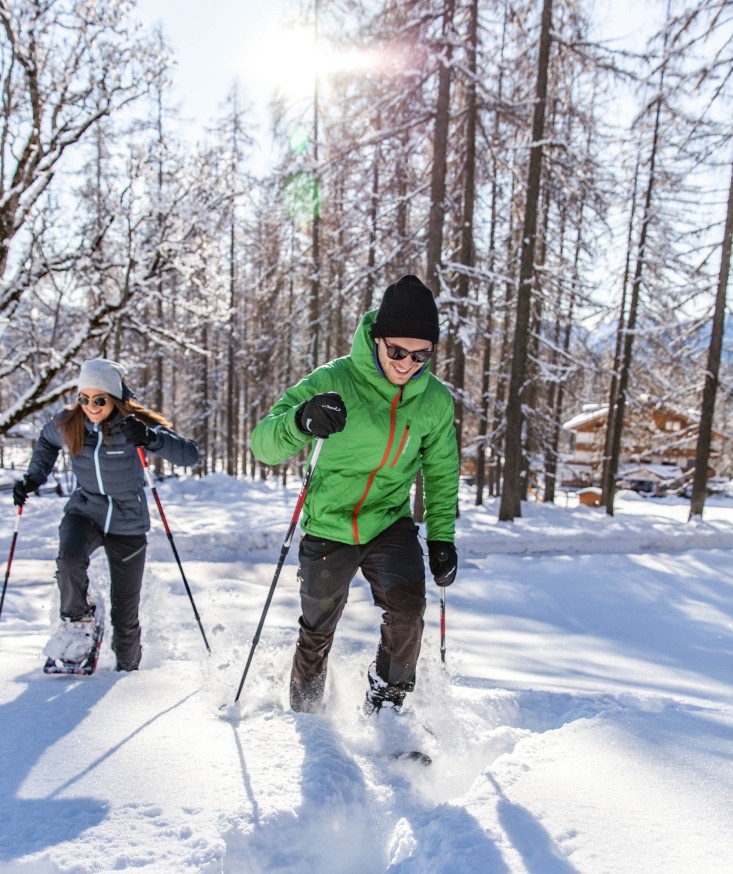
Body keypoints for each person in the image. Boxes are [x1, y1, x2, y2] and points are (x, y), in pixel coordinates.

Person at [251, 274, 459, 715]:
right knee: (317, 628)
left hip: (389, 521)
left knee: (408, 611)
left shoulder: (435, 401)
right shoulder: (335, 379)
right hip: (329, 523)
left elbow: (441, 472)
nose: (407, 364)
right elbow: (263, 445)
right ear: (376, 338)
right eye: (397, 351)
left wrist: (442, 537)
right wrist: (301, 420)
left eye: (422, 355)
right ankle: (306, 713)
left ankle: (386, 706)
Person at [12, 358, 199, 671]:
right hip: (85, 511)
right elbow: (46, 441)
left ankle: (128, 672)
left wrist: (152, 438)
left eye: (99, 399)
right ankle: (78, 622)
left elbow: (189, 455)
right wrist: (33, 477)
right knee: (70, 560)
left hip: (128, 522)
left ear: (113, 398)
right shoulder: (69, 423)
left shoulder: (134, 425)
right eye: (83, 398)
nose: (91, 406)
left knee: (125, 616)